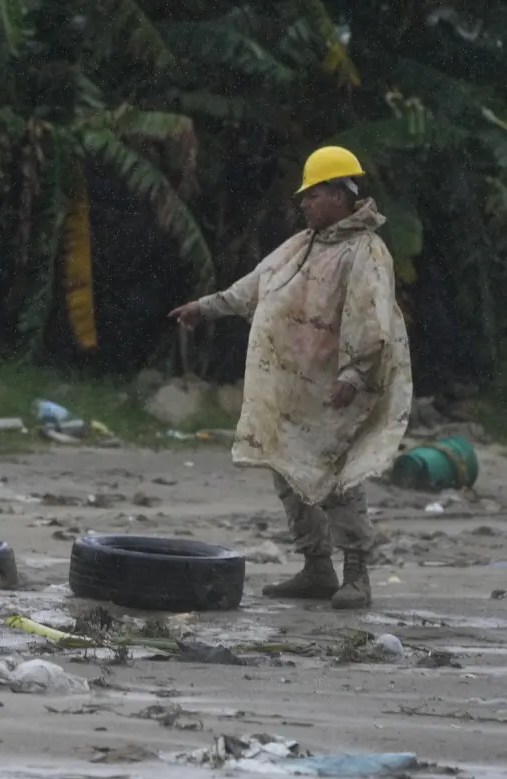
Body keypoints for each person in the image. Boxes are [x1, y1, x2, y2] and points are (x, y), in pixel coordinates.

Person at [168, 146, 413, 610]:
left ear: (341, 195)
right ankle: (317, 567)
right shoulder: (303, 245)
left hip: (337, 388)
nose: (304, 204)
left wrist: (354, 376)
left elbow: (370, 318)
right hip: (291, 387)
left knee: (338, 478)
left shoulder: (365, 251)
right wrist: (206, 308)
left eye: (314, 195)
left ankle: (357, 574)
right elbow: (254, 286)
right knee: (287, 471)